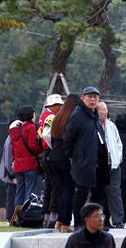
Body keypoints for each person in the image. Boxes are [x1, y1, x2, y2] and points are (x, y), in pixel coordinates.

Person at [64, 86, 108, 228]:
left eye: (95, 97)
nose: (93, 99)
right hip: (82, 162)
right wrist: (74, 157)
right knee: (81, 194)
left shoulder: (95, 115)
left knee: (99, 194)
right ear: (83, 98)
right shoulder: (77, 116)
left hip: (98, 163)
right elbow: (68, 140)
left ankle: (98, 223)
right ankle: (78, 223)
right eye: (90, 96)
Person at [50, 94, 83, 233]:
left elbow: (51, 139)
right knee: (70, 190)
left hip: (54, 158)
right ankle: (65, 223)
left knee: (64, 190)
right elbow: (71, 140)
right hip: (66, 158)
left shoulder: (58, 118)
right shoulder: (72, 118)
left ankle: (59, 220)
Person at [97, 101, 125, 228]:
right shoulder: (94, 125)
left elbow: (119, 144)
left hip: (113, 164)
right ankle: (103, 220)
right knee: (100, 193)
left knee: (115, 192)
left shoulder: (111, 125)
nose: (105, 112)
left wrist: (118, 159)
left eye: (106, 109)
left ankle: (118, 220)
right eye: (102, 109)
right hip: (100, 166)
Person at [10, 106, 43, 207]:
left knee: (19, 191)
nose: (35, 115)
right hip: (29, 164)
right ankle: (28, 215)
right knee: (30, 192)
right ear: (31, 115)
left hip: (18, 165)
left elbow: (13, 148)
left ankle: (17, 216)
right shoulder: (31, 127)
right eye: (34, 113)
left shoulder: (14, 130)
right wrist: (40, 150)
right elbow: (32, 145)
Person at [40, 94, 63, 228]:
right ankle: (53, 213)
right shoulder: (51, 117)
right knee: (55, 185)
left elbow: (39, 133)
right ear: (52, 106)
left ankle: (46, 214)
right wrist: (55, 147)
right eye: (58, 105)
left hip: (46, 154)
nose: (60, 107)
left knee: (49, 185)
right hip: (50, 152)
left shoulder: (44, 117)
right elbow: (46, 135)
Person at [0, 124, 17, 222]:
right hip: (10, 174)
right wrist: (12, 175)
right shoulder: (10, 139)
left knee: (12, 196)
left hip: (11, 173)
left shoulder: (10, 138)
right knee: (11, 197)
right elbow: (8, 159)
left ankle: (12, 217)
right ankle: (11, 218)